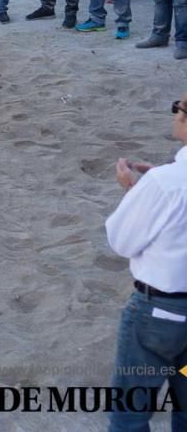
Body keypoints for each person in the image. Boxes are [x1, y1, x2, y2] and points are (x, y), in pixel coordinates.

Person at [104, 93, 187, 431]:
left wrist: (136, 193)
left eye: (178, 108)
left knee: (130, 412)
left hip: (159, 317)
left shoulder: (163, 183)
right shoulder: (164, 182)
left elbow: (122, 242)